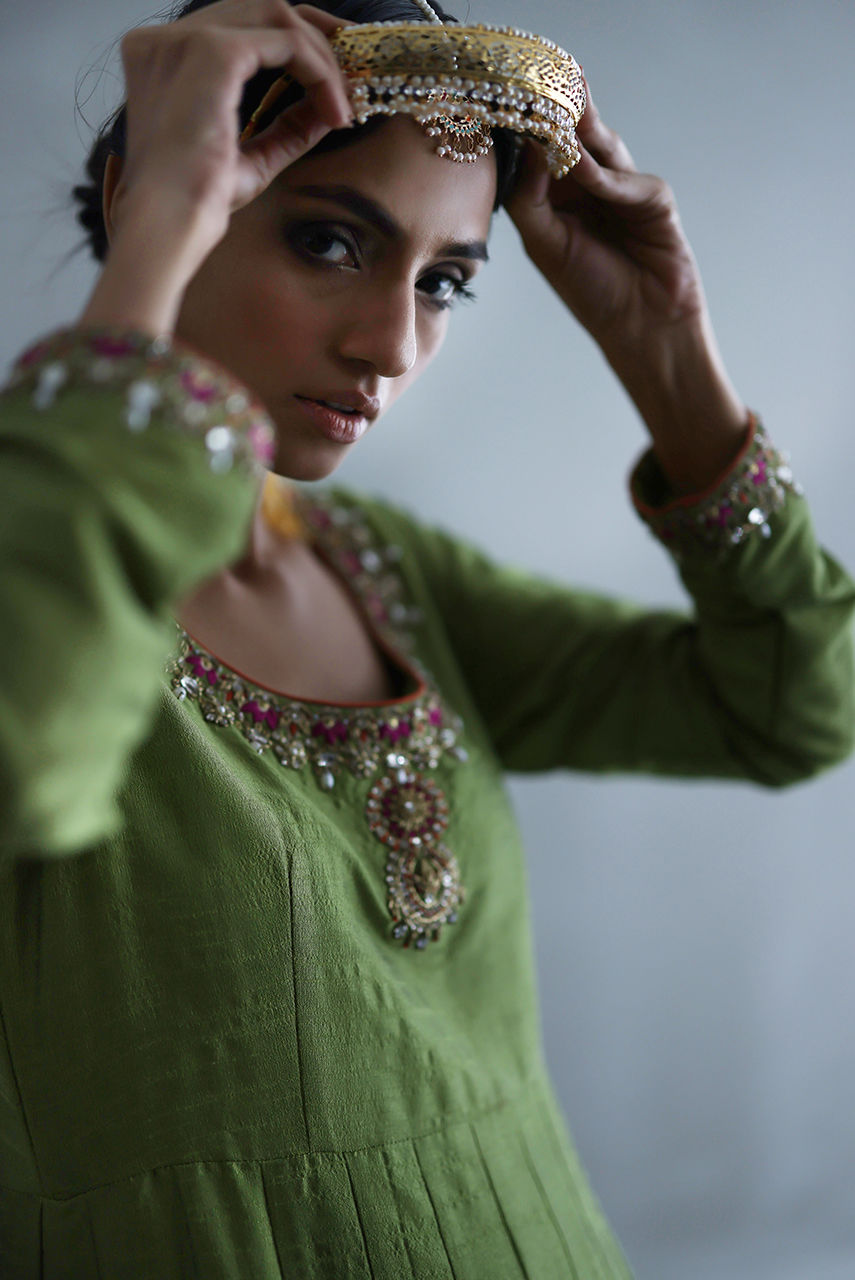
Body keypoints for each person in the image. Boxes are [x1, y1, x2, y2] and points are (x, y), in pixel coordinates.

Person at [0, 0, 852, 1275]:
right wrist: (158, 234)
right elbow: (34, 750)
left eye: (444, 281)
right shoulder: (38, 576)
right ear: (151, 196)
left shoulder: (379, 570)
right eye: (330, 240)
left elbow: (791, 710)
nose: (391, 344)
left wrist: (666, 344)